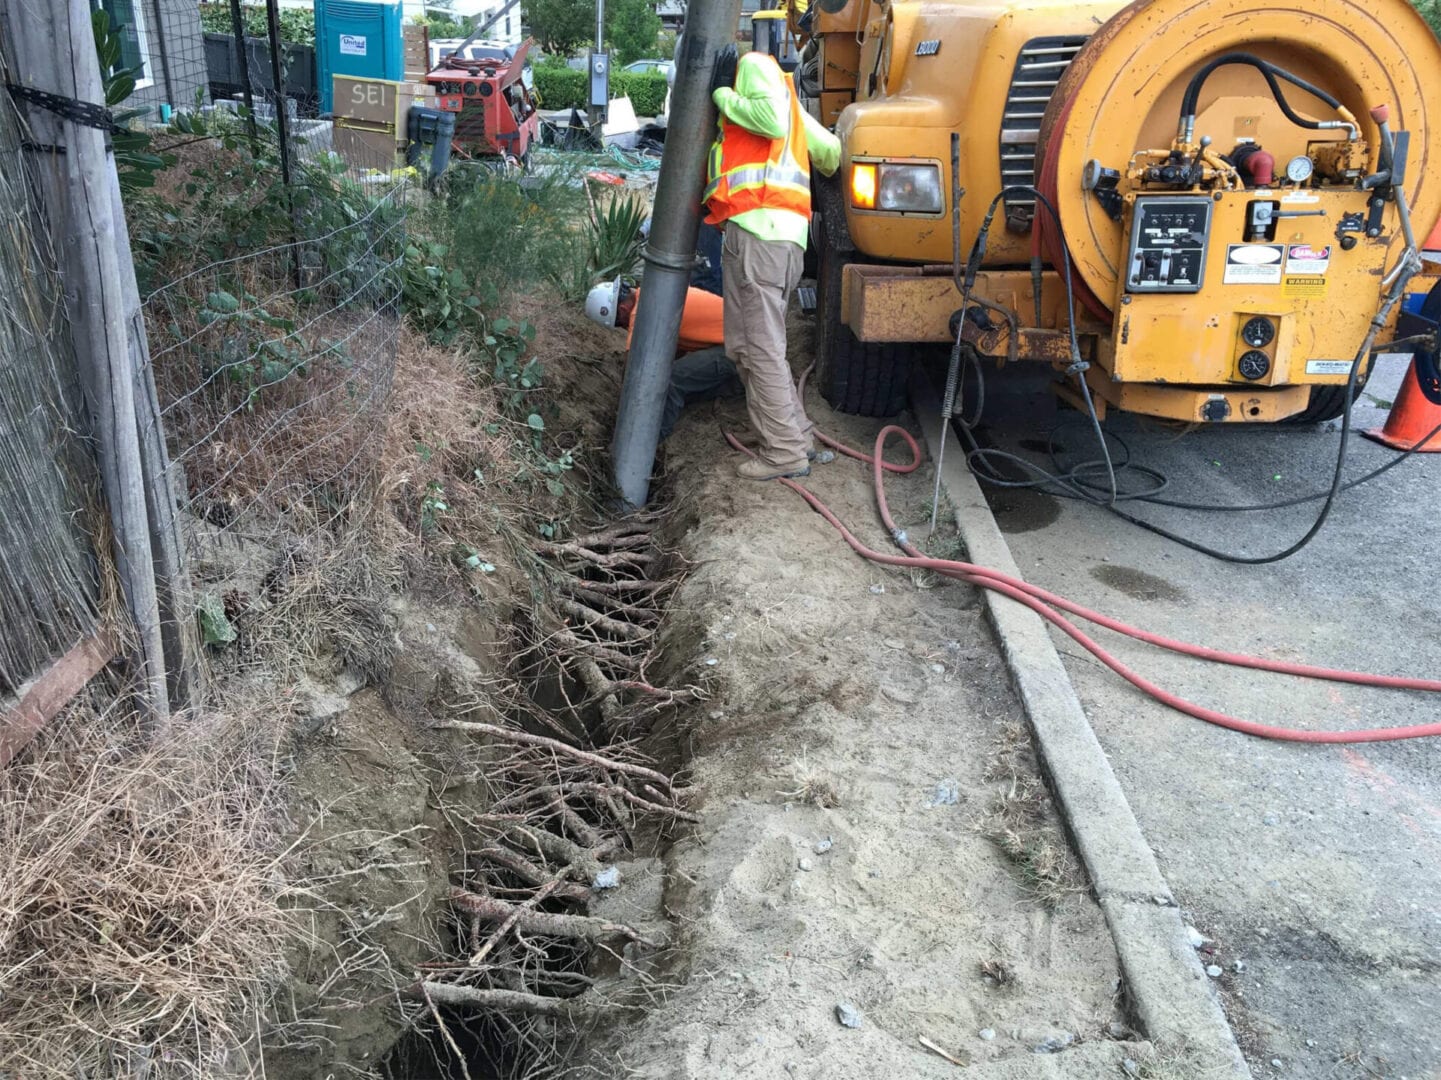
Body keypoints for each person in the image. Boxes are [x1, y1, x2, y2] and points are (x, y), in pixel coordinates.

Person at [706, 45, 841, 480]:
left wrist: (723, 97)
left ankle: (783, 452)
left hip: (757, 236)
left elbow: (770, 122)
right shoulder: (788, 100)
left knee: (758, 349)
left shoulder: (752, 69)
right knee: (753, 348)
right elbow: (831, 152)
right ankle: (797, 436)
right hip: (785, 242)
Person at [585, 278, 743, 439]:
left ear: (623, 310)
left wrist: (628, 409)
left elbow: (633, 368)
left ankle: (651, 440)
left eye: (620, 324)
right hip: (739, 344)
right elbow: (672, 352)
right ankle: (737, 386)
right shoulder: (657, 295)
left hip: (738, 348)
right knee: (677, 381)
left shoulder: (643, 311)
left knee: (670, 381)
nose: (624, 327)